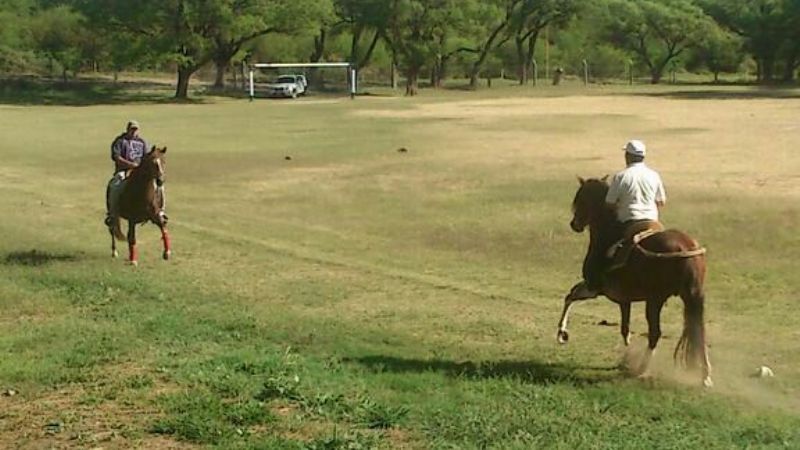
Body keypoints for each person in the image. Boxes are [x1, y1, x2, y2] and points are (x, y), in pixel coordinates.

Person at [582, 139, 666, 297]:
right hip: (653, 222)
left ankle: (594, 283)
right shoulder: (654, 175)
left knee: (600, 248)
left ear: (627, 156)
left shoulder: (621, 177)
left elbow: (609, 204)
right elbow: (661, 201)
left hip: (630, 223)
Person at [105, 120, 166, 227]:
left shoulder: (142, 142)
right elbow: (117, 157)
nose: (133, 131)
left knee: (159, 186)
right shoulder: (120, 141)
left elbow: (148, 157)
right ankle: (112, 214)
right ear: (127, 129)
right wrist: (131, 165)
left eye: (135, 129)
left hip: (140, 172)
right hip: (124, 171)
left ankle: (161, 211)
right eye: (132, 129)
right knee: (115, 185)